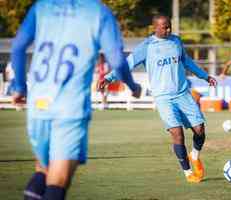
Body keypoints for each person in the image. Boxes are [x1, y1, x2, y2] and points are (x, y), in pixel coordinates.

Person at [11, 1, 141, 200]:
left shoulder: (42, 6)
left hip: (38, 103)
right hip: (69, 106)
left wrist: (19, 86)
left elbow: (18, 46)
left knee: (43, 170)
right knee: (57, 180)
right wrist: (133, 86)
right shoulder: (99, 12)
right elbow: (116, 59)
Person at [104, 14, 217, 183]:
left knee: (200, 130)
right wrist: (108, 78)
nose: (168, 29)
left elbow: (187, 62)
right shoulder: (147, 46)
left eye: (169, 26)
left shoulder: (176, 41)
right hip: (163, 98)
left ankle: (194, 155)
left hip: (183, 94)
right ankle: (188, 174)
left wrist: (205, 76)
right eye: (164, 27)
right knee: (177, 133)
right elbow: (127, 64)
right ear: (155, 27)